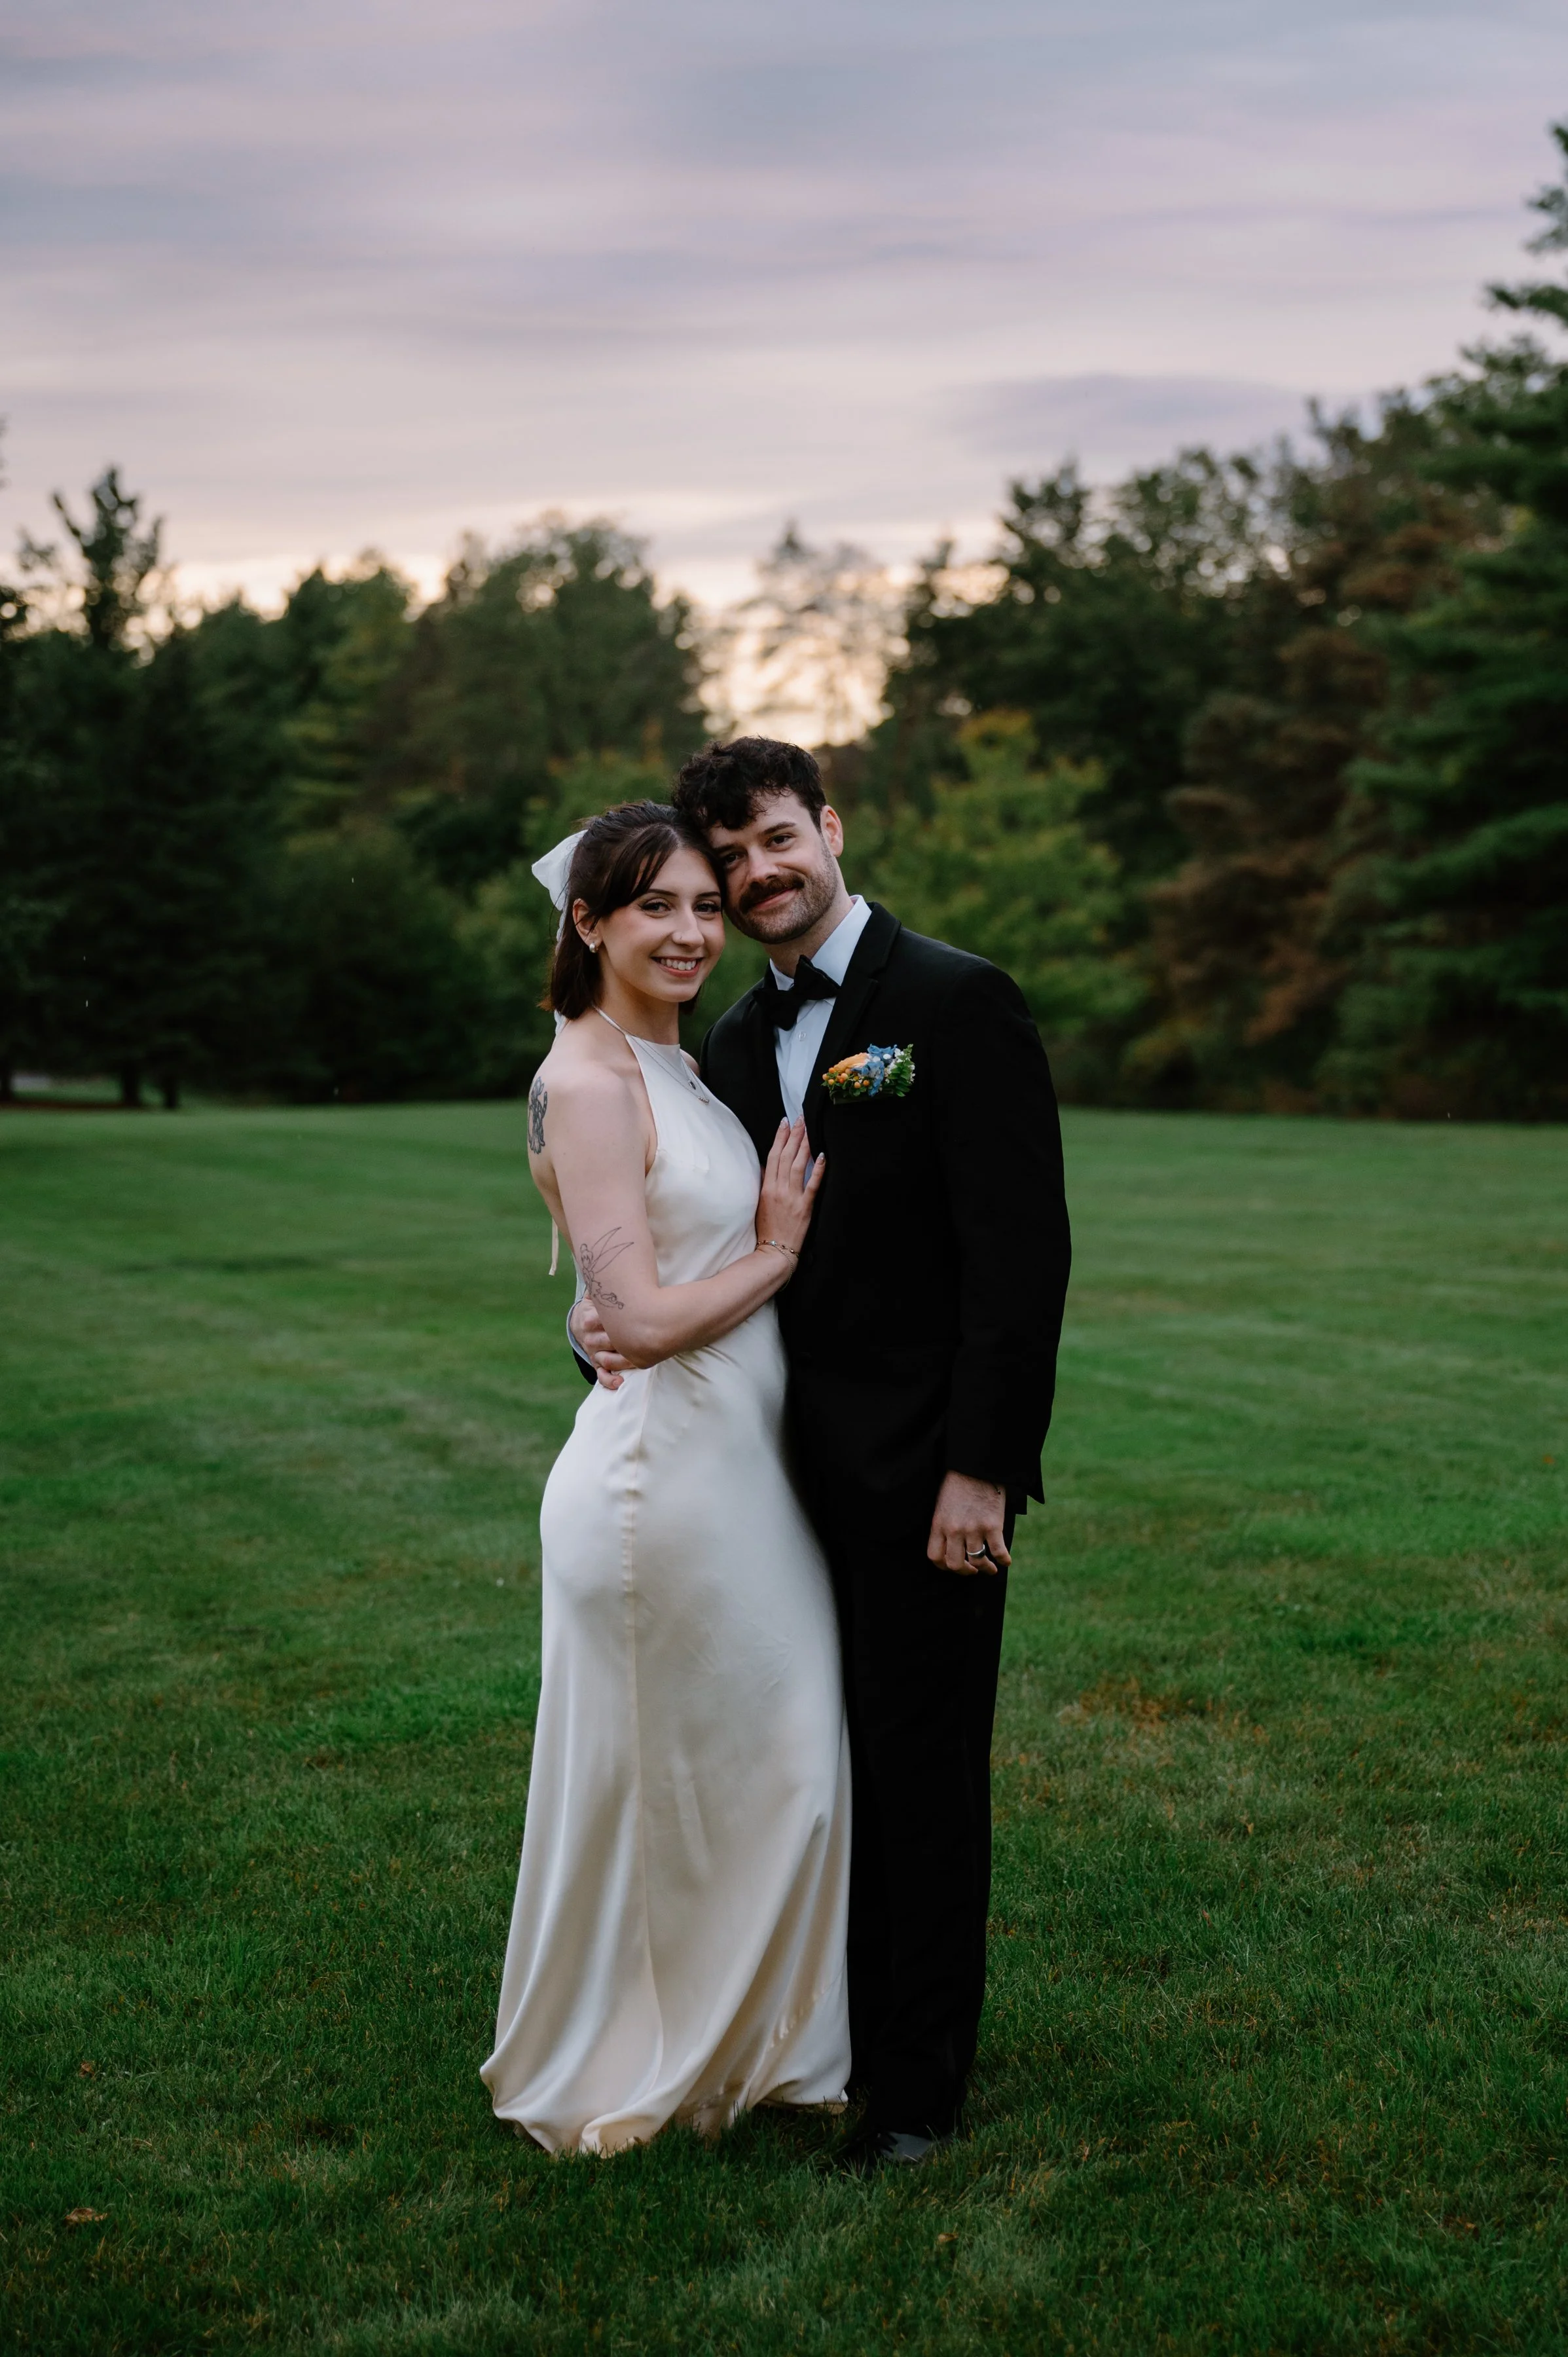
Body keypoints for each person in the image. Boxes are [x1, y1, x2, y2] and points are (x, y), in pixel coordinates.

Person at [573, 739, 1071, 2173]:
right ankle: (808, 2041)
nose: (756, 874)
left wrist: (983, 1469)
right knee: (802, 1772)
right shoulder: (727, 1042)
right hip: (762, 1485)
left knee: (919, 1775)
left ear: (831, 827)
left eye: (777, 839)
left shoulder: (957, 1004)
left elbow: (1018, 1262)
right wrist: (597, 1327)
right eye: (727, 860)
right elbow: (690, 1250)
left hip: (925, 1481)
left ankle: (914, 2091)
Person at [481, 801, 852, 2155]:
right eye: (658, 908)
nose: (695, 931)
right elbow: (630, 1318)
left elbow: (617, 1293)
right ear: (587, 923)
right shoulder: (587, 1077)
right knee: (679, 1781)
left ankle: (751, 2050)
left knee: (771, 1764)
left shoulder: (674, 1065)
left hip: (735, 1479)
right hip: (658, 1493)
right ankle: (640, 2059)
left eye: (706, 905)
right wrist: (777, 1253)